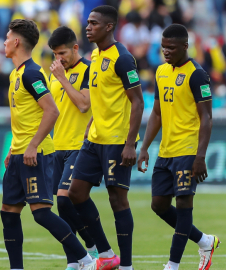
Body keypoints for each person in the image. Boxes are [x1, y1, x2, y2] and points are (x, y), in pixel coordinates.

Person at [1, 19, 97, 270]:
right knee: (8, 212)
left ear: (17, 42)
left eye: (7, 37)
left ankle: (86, 260)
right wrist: (13, 148)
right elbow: (24, 117)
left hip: (35, 154)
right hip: (19, 153)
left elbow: (51, 111)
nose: (4, 42)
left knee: (41, 213)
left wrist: (32, 146)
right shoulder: (16, 73)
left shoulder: (32, 73)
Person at [137, 23, 220, 270]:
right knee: (158, 205)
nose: (166, 51)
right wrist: (144, 147)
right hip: (165, 151)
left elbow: (206, 117)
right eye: (163, 47)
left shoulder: (197, 74)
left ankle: (172, 265)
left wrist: (200, 156)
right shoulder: (161, 72)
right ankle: (205, 241)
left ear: (185, 46)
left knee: (184, 204)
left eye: (171, 47)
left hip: (188, 150)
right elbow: (157, 112)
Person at [68, 5, 145, 270]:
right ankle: (107, 253)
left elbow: (137, 102)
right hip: (94, 140)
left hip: (116, 141)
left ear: (109, 26)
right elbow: (99, 99)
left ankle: (127, 265)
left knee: (117, 199)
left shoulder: (123, 58)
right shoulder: (94, 55)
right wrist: (90, 125)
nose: (87, 27)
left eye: (93, 23)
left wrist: (130, 143)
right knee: (75, 193)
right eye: (87, 23)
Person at [47, 26, 97, 270]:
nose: (59, 59)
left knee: (66, 201)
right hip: (58, 147)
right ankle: (74, 260)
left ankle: (91, 246)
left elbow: (84, 105)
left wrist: (62, 79)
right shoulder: (54, 74)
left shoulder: (88, 70)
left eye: (63, 53)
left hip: (80, 146)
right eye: (55, 54)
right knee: (61, 206)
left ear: (76, 48)